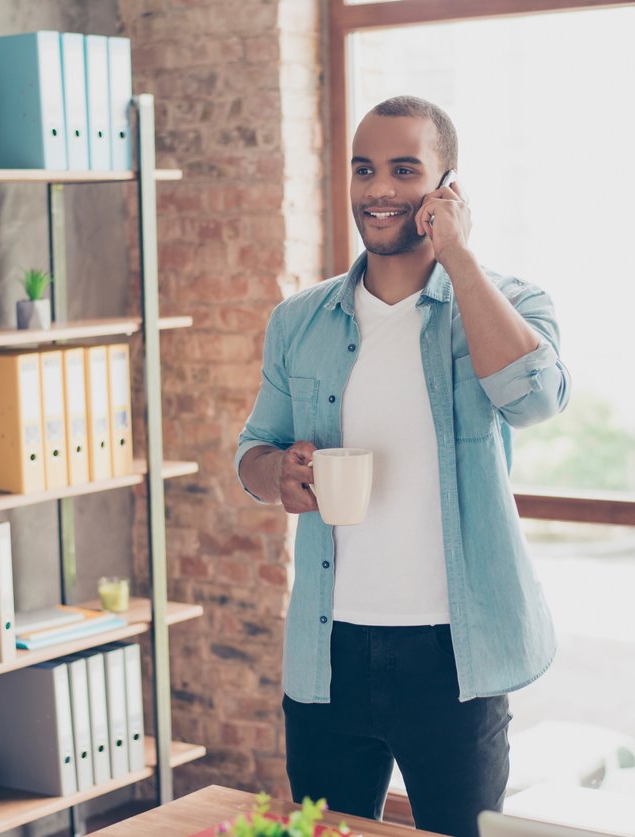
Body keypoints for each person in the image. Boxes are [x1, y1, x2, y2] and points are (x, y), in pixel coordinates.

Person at [235, 95, 570, 837]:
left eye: (403, 168)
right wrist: (277, 476)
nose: (379, 188)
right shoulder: (301, 320)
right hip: (330, 654)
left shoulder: (508, 300)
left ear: (447, 185)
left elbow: (536, 397)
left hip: (457, 657)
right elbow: (252, 451)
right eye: (364, 169)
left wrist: (459, 258)